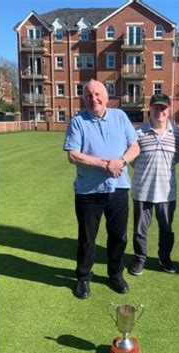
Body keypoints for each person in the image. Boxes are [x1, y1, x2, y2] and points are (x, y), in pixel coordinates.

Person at [63, 79, 140, 299]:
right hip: (88, 192)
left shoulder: (120, 117)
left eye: (97, 94)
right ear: (83, 98)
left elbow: (134, 146)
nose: (93, 99)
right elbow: (73, 155)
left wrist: (121, 162)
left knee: (119, 236)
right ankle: (83, 277)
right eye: (88, 95)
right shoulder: (78, 121)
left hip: (118, 188)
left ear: (106, 97)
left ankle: (115, 274)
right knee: (87, 238)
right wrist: (106, 164)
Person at [129, 93, 179, 276]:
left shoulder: (177, 134)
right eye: (156, 108)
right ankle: (140, 259)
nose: (160, 111)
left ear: (169, 110)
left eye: (163, 108)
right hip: (142, 190)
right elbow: (132, 160)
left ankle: (164, 258)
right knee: (139, 230)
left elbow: (175, 161)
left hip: (167, 193)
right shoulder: (138, 133)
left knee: (166, 229)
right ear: (149, 109)